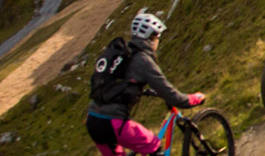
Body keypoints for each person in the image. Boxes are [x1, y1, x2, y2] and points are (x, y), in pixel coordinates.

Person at [85, 13, 203, 156]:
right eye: (157, 38)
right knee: (153, 145)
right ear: (152, 38)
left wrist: (141, 90)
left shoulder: (124, 56)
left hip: (93, 121)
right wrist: (192, 99)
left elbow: (121, 84)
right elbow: (171, 95)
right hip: (114, 122)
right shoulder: (143, 60)